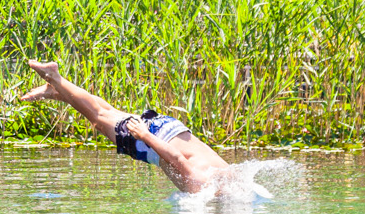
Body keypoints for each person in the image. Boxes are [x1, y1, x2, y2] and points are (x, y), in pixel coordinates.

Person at [19, 59, 234, 192]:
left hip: (172, 130)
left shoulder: (230, 176)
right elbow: (176, 158)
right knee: (98, 117)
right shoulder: (201, 186)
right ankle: (54, 77)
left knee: (107, 112)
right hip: (154, 140)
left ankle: (56, 91)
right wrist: (144, 135)